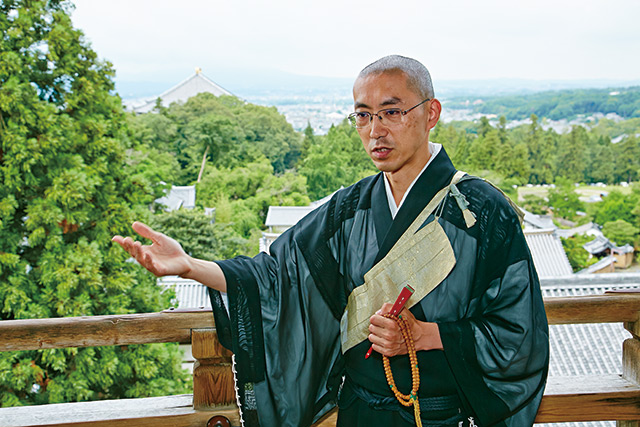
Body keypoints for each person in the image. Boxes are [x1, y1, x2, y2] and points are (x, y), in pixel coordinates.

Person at [113, 55, 549, 427]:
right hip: (359, 412)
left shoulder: (479, 211)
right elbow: (278, 273)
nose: (375, 130)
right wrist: (189, 266)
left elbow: (519, 332)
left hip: (436, 415)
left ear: (431, 113)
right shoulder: (352, 208)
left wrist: (426, 335)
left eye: (391, 112)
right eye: (363, 114)